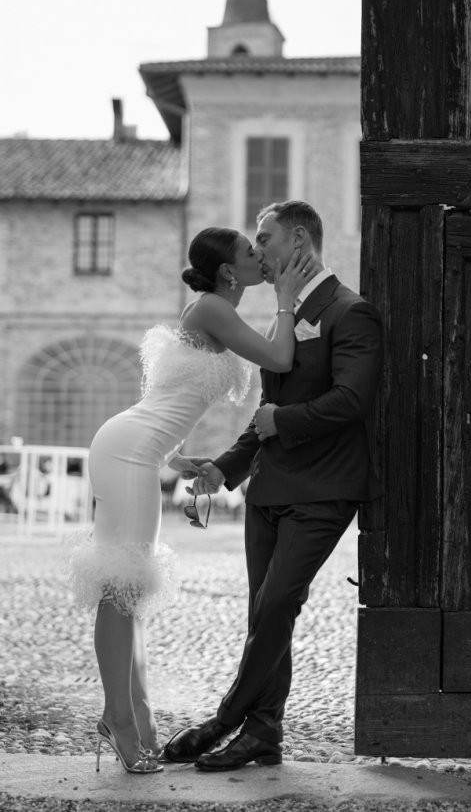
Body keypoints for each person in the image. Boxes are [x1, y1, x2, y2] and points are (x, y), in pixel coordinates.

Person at [70, 226, 315, 774]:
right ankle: (119, 718)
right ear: (231, 272)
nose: (262, 257)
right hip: (128, 449)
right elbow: (279, 358)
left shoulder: (209, 310)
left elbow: (171, 396)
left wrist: (178, 458)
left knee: (131, 592)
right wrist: (283, 301)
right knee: (121, 588)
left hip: (136, 448)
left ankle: (139, 716)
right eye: (253, 254)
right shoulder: (212, 309)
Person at [163, 201, 383, 771]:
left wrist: (281, 422)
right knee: (266, 613)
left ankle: (224, 718)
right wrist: (224, 468)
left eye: (266, 238)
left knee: (279, 601)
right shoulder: (283, 316)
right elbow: (270, 405)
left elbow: (353, 400)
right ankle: (263, 734)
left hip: (324, 489)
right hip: (267, 489)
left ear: (301, 241)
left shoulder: (350, 311)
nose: (258, 251)